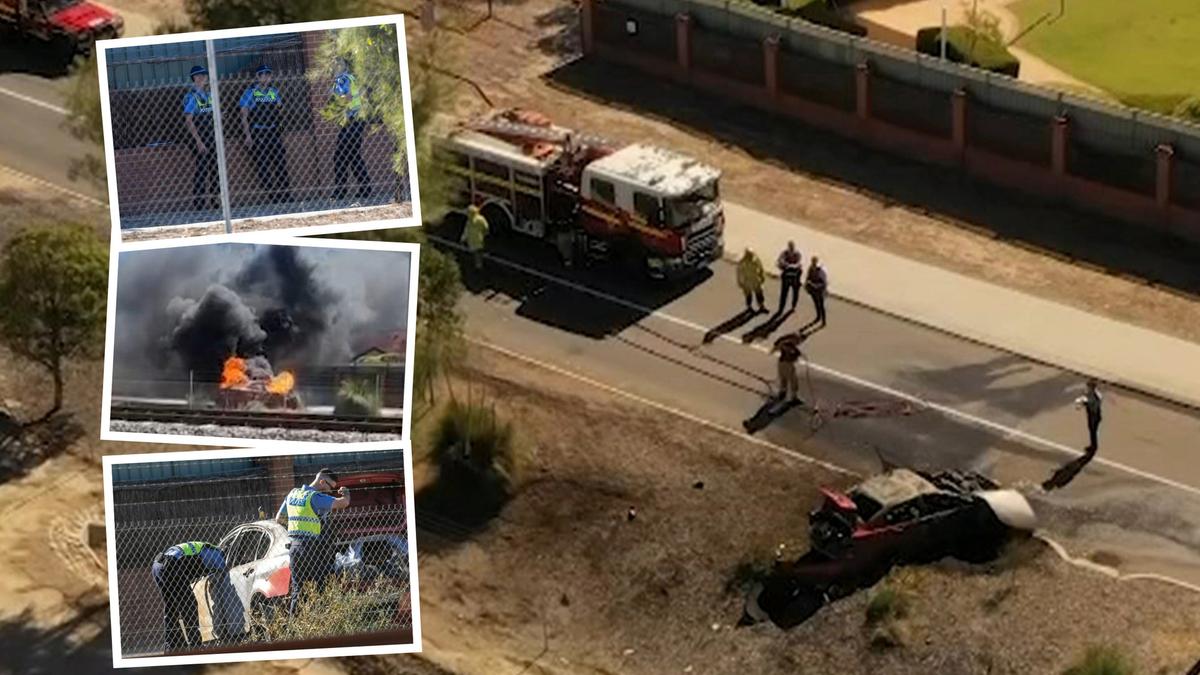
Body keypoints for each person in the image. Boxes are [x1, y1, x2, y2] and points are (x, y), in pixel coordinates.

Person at [276, 468, 351, 615]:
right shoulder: (314, 497)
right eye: (330, 487)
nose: (330, 491)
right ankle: (320, 622)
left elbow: (279, 518)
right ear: (322, 481)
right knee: (320, 587)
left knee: (298, 590)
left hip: (295, 548)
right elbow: (343, 503)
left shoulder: (293, 493)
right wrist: (347, 494)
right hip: (312, 548)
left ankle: (294, 628)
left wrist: (295, 528)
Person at [151, 541, 227, 652]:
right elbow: (225, 570)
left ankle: (172, 647)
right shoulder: (216, 554)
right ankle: (195, 645)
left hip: (157, 566)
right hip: (172, 565)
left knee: (171, 608)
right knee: (189, 605)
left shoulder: (203, 548)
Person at [238, 64, 292, 205]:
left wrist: (280, 110)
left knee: (280, 163)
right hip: (258, 132)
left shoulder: (273, 91)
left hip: (273, 131)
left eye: (268, 74)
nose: (267, 77)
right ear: (258, 76)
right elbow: (243, 115)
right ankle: (273, 196)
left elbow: (280, 110)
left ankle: (285, 195)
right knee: (263, 165)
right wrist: (247, 135)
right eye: (263, 74)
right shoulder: (251, 92)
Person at [331, 58, 371, 202]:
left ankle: (340, 191)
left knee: (340, 156)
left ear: (343, 66)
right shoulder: (351, 77)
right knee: (353, 156)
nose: (334, 67)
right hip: (356, 120)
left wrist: (338, 101)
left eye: (337, 64)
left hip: (352, 122)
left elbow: (346, 97)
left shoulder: (341, 79)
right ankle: (365, 188)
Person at [183, 65, 219, 211]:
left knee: (215, 169)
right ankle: (199, 204)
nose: (201, 78)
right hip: (200, 138)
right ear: (193, 79)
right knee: (202, 169)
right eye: (198, 76)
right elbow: (189, 120)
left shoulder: (209, 95)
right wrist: (199, 142)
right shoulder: (191, 97)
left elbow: (214, 114)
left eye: (203, 76)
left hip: (211, 136)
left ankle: (216, 202)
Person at [770, 330, 806, 404]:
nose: (799, 343)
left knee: (783, 379)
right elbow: (792, 356)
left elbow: (776, 347)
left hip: (781, 363)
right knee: (793, 381)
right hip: (787, 365)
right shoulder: (790, 347)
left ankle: (782, 393)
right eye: (798, 341)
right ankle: (794, 397)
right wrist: (797, 355)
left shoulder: (784, 343)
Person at [1075, 378, 1103, 455]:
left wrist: (1081, 403)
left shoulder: (1094, 396)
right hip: (1094, 415)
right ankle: (1093, 445)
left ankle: (1093, 446)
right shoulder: (1094, 394)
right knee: (1092, 431)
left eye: (1089, 386)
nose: (1087, 387)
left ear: (1092, 387)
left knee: (1092, 431)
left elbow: (1089, 403)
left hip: (1094, 416)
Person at [776, 241, 803, 314]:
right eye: (790, 246)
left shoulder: (797, 254)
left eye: (792, 247)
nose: (791, 248)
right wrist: (788, 265)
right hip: (786, 278)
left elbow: (799, 264)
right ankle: (781, 308)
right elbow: (780, 261)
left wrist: (789, 266)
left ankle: (793, 306)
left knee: (795, 293)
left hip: (795, 278)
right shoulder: (785, 253)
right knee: (784, 294)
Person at [737, 248, 767, 313]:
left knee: (759, 294)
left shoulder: (756, 260)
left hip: (756, 280)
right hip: (747, 282)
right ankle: (749, 307)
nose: (750, 256)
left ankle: (761, 306)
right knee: (749, 296)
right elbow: (739, 273)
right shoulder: (742, 262)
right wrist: (740, 282)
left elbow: (761, 268)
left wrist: (762, 276)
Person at [462, 204, 490, 270]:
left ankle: (478, 265)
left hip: (472, 240)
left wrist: (463, 239)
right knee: (480, 250)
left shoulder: (469, 222)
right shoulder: (481, 219)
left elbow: (466, 231)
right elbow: (486, 227)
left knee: (476, 252)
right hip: (480, 238)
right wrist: (486, 232)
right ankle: (480, 262)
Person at [805, 256, 828, 328]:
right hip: (813, 291)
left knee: (821, 306)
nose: (813, 264)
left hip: (819, 292)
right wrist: (807, 285)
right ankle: (818, 316)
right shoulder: (810, 269)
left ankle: (824, 320)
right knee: (816, 304)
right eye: (812, 262)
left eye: (814, 262)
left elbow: (823, 283)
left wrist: (814, 285)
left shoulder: (820, 272)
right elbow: (808, 277)